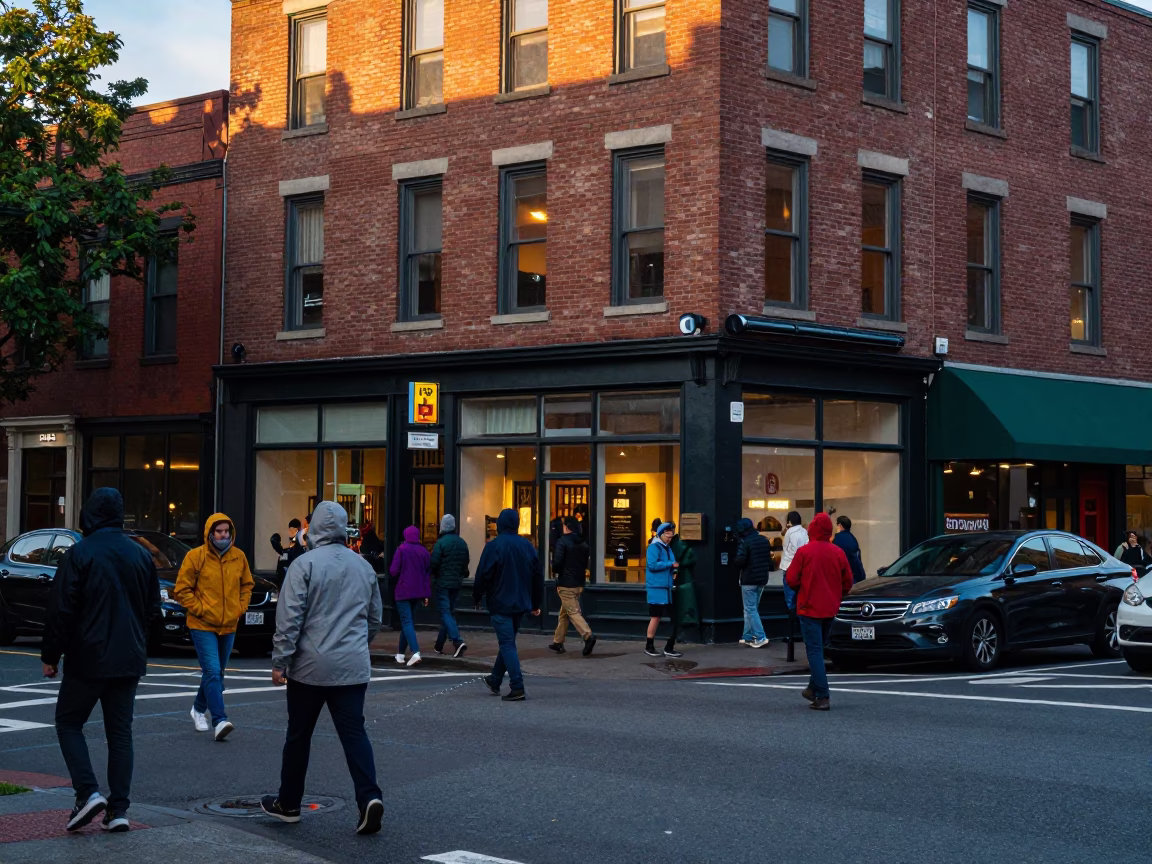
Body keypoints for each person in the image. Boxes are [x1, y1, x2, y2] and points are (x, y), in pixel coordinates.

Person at [261, 501, 385, 836]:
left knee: (299, 735)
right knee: (354, 733)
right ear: (344, 529)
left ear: (314, 528)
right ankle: (369, 797)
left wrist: (280, 661)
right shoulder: (363, 567)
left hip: (309, 666)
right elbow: (375, 618)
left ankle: (289, 803)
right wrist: (358, 643)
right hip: (352, 665)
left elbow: (289, 620)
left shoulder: (304, 565)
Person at [41, 488, 160, 833]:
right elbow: (152, 610)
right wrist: (139, 643)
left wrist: (51, 656)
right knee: (120, 733)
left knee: (68, 723)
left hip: (88, 655)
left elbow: (61, 610)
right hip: (129, 657)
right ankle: (119, 809)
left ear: (89, 514)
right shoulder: (140, 555)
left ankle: (87, 791)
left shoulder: (79, 553)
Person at [174, 513, 254, 741]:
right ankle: (219, 720)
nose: (223, 535)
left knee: (216, 672)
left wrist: (240, 607)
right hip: (202, 624)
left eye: (226, 531)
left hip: (229, 624)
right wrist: (200, 608)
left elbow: (247, 585)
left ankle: (198, 709)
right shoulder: (195, 557)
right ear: (210, 533)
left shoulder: (239, 557)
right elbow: (181, 590)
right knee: (211, 671)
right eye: (219, 531)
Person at [473, 508, 543, 701]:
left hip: (500, 601)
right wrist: (536, 602)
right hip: (521, 602)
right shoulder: (527, 546)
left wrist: (477, 596)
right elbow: (537, 576)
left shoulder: (494, 546)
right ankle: (495, 680)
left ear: (500, 524)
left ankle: (517, 685)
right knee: (508, 642)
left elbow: (483, 574)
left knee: (506, 643)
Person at [786, 513, 853, 712]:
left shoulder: (805, 552)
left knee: (814, 651)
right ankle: (812, 688)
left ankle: (822, 695)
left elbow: (791, 579)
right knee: (819, 649)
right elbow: (848, 581)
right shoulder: (838, 552)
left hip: (809, 607)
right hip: (830, 607)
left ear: (813, 530)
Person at [550, 516, 595, 656]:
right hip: (579, 583)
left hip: (566, 583)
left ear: (567, 527)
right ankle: (558, 642)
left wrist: (555, 570)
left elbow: (557, 563)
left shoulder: (562, 541)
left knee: (573, 612)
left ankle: (588, 636)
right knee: (565, 612)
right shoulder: (583, 543)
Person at [389, 526, 431, 666]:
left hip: (403, 591)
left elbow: (393, 571)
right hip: (418, 592)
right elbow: (427, 574)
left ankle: (415, 652)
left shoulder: (402, 549)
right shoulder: (424, 551)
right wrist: (426, 594)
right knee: (408, 623)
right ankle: (400, 654)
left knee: (406, 622)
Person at [430, 514, 469, 657]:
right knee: (449, 614)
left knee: (445, 613)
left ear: (443, 527)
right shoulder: (462, 542)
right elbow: (466, 562)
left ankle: (457, 641)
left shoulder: (441, 543)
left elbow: (434, 563)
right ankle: (439, 645)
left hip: (443, 582)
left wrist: (433, 574)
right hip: (457, 582)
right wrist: (462, 573)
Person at [645, 522, 682, 658]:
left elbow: (670, 563)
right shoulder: (654, 547)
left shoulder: (667, 548)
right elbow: (652, 565)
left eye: (671, 536)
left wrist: (674, 568)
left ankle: (669, 646)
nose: (669, 538)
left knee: (673, 618)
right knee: (655, 617)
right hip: (656, 588)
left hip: (666, 588)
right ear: (660, 534)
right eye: (667, 535)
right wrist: (670, 564)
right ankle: (649, 646)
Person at [734, 518, 771, 648]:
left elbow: (740, 561)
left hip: (749, 579)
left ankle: (761, 637)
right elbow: (769, 562)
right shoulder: (764, 540)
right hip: (762, 579)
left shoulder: (745, 542)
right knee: (751, 609)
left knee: (750, 609)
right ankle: (747, 636)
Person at [780, 511, 809, 638]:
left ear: (789, 521)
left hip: (790, 568)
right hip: (803, 570)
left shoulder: (790, 533)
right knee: (801, 600)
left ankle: (791, 632)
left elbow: (792, 550)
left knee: (790, 601)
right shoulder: (805, 532)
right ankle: (800, 631)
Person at [832, 515, 869, 585]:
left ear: (840, 525)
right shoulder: (852, 538)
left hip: (845, 577)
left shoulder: (838, 539)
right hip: (856, 574)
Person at [271, 518, 304, 583]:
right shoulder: (289, 548)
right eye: (290, 530)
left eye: (292, 530)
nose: (290, 533)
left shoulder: (300, 545)